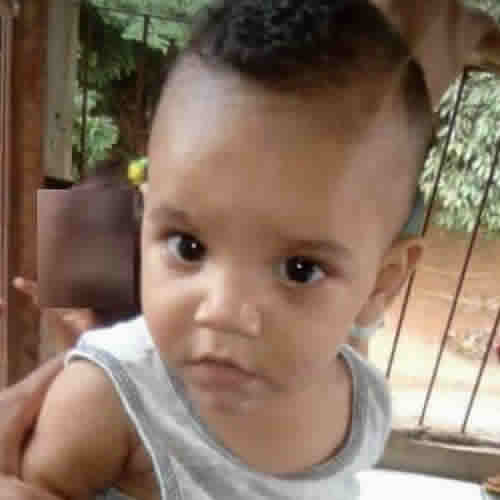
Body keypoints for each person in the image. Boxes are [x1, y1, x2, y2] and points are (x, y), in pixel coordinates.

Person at [11, 0, 434, 498]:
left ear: (382, 281)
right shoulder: (109, 394)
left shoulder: (362, 404)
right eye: (189, 247)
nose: (224, 311)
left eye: (300, 269)